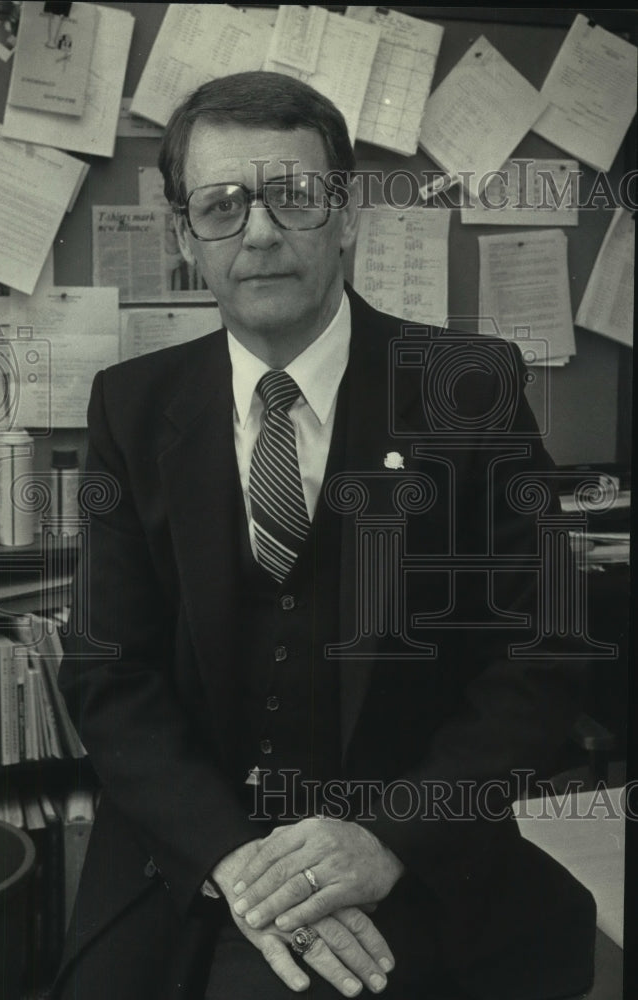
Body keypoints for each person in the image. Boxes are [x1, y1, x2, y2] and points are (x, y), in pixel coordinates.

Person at [55, 71, 596, 999]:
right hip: (194, 843)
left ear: (346, 216)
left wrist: (387, 840)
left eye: (293, 197)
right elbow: (109, 670)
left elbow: (543, 656)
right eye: (221, 205)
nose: (259, 232)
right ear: (186, 236)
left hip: (409, 835)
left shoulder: (468, 386)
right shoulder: (131, 408)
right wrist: (230, 860)